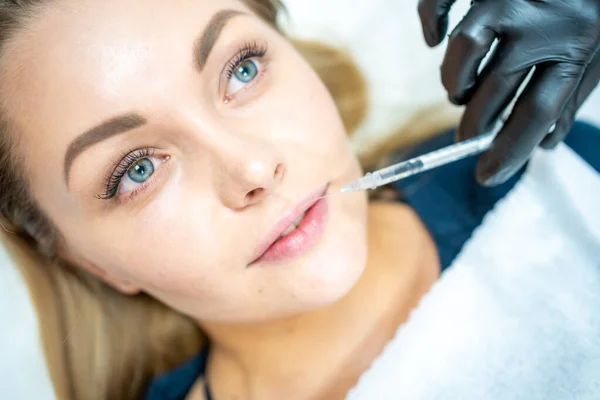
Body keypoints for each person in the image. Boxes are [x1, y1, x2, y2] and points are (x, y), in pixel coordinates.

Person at [0, 1, 597, 400]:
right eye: (137, 170)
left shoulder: (556, 164)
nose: (254, 168)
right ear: (85, 260)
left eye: (240, 69)